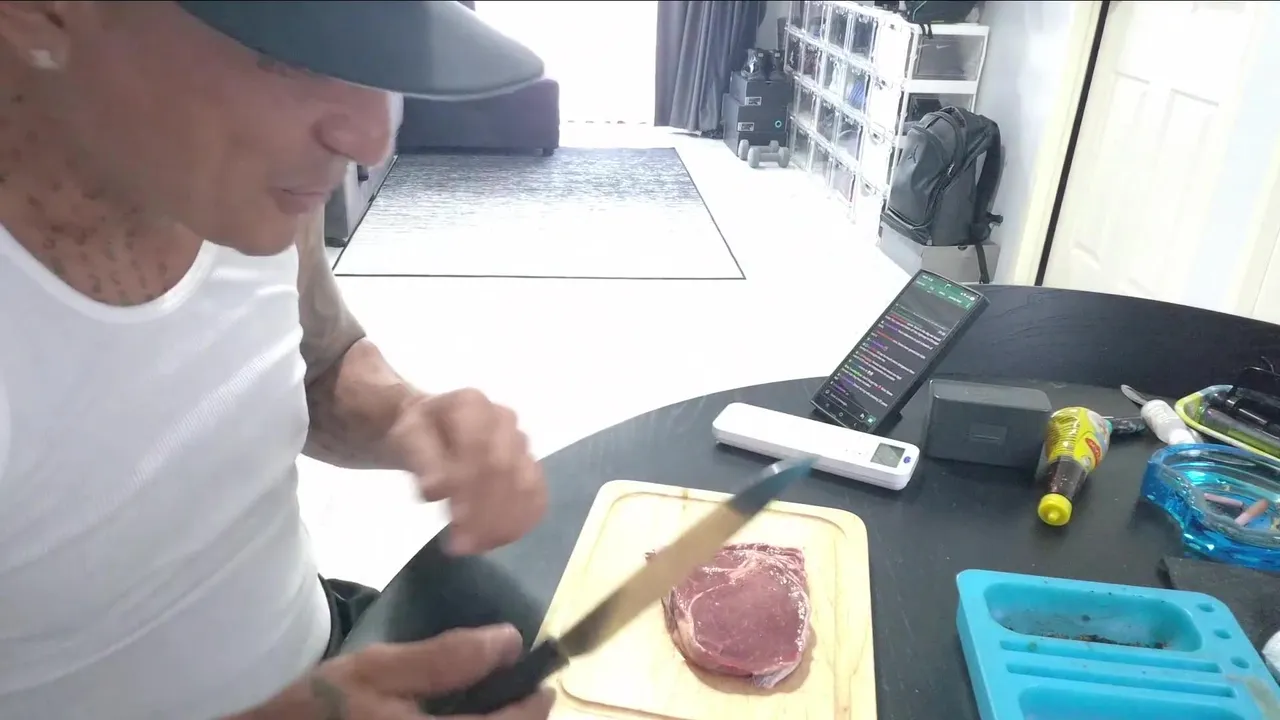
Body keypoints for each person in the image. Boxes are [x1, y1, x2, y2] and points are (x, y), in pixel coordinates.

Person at [0, 1, 555, 718]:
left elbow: (316, 361)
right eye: (295, 51)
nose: (371, 139)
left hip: (331, 650)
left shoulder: (233, 185)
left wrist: (405, 415)